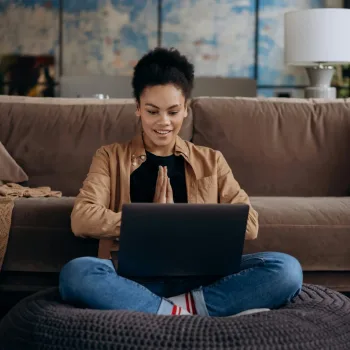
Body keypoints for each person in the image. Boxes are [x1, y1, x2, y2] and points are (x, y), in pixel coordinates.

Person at [59, 48, 303, 317]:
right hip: (131, 279)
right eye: (152, 111)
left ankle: (167, 311)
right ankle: (188, 312)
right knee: (76, 273)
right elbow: (81, 218)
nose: (163, 122)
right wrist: (149, 221)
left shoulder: (211, 160)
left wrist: (180, 222)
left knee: (287, 269)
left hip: (200, 279)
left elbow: (250, 224)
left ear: (186, 109)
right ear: (138, 109)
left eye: (173, 111)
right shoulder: (109, 156)